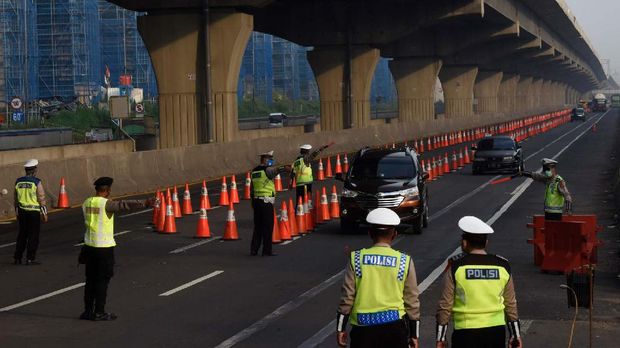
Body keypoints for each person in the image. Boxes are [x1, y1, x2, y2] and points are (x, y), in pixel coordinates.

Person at [336, 208, 420, 348]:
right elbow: (412, 301)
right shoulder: (404, 261)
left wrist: (340, 328)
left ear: (370, 234)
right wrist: (414, 334)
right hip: (394, 329)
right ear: (395, 235)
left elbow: (347, 298)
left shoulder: (356, 259)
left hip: (363, 330)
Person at [435, 216, 522, 348]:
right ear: (486, 243)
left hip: (465, 333)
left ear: (464, 243)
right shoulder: (503, 266)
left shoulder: (456, 267)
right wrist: (515, 335)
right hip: (496, 332)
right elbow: (511, 304)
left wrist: (440, 337)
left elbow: (445, 305)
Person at [79, 177, 154, 321]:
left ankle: (88, 311)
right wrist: (144, 203)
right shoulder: (106, 204)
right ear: (107, 190)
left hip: (89, 247)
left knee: (90, 281)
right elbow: (123, 205)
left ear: (96, 189)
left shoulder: (86, 202)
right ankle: (99, 312)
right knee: (102, 280)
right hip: (104, 248)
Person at [13, 159, 48, 265]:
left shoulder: (18, 181)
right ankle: (30, 258)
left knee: (22, 235)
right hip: (33, 213)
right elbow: (41, 198)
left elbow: (16, 200)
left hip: (22, 212)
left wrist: (17, 213)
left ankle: (17, 257)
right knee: (33, 236)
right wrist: (44, 213)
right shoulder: (36, 182)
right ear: (34, 170)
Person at [250, 151, 281, 256]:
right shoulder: (267, 170)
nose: (271, 161)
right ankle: (267, 250)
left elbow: (251, 188)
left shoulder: (254, 171)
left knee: (258, 226)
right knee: (268, 226)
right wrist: (285, 168)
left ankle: (254, 249)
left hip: (256, 201)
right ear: (265, 159)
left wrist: (252, 202)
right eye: (270, 159)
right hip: (266, 202)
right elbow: (276, 170)